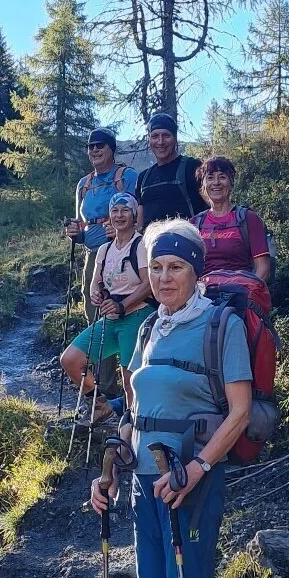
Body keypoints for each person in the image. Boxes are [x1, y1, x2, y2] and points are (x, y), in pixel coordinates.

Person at [91, 219, 251, 578]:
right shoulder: (150, 329)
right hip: (144, 483)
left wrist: (200, 468)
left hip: (191, 487)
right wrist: (109, 471)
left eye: (174, 267)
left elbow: (238, 412)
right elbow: (133, 411)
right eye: (155, 267)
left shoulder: (221, 324)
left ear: (197, 271)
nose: (162, 278)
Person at [59, 193, 153, 424]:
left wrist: (122, 304)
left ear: (133, 215)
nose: (119, 215)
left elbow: (148, 284)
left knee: (130, 378)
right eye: (115, 211)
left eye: (124, 210)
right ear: (109, 217)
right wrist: (97, 294)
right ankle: (100, 406)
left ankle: (132, 430)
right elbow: (95, 284)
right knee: (70, 360)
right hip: (111, 318)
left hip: (137, 315)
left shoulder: (141, 245)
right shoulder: (104, 249)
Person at [64, 129, 136, 323]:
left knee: (124, 308)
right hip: (93, 255)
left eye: (100, 145)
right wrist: (74, 233)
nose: (95, 150)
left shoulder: (127, 177)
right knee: (92, 306)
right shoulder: (83, 184)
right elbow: (82, 224)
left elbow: (139, 216)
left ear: (111, 149)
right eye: (91, 146)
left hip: (123, 253)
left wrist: (125, 230)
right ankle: (99, 353)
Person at [195, 155, 272, 284]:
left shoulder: (248, 219)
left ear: (231, 183)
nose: (216, 182)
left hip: (242, 295)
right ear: (203, 185)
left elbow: (263, 270)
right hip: (203, 298)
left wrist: (248, 295)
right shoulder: (195, 224)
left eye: (222, 177)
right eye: (210, 178)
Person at [135, 112, 206, 228]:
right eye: (155, 136)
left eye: (166, 135)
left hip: (188, 240)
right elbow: (140, 224)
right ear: (149, 140)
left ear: (175, 138)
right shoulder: (143, 178)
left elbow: (214, 205)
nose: (160, 142)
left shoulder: (192, 167)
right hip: (151, 243)